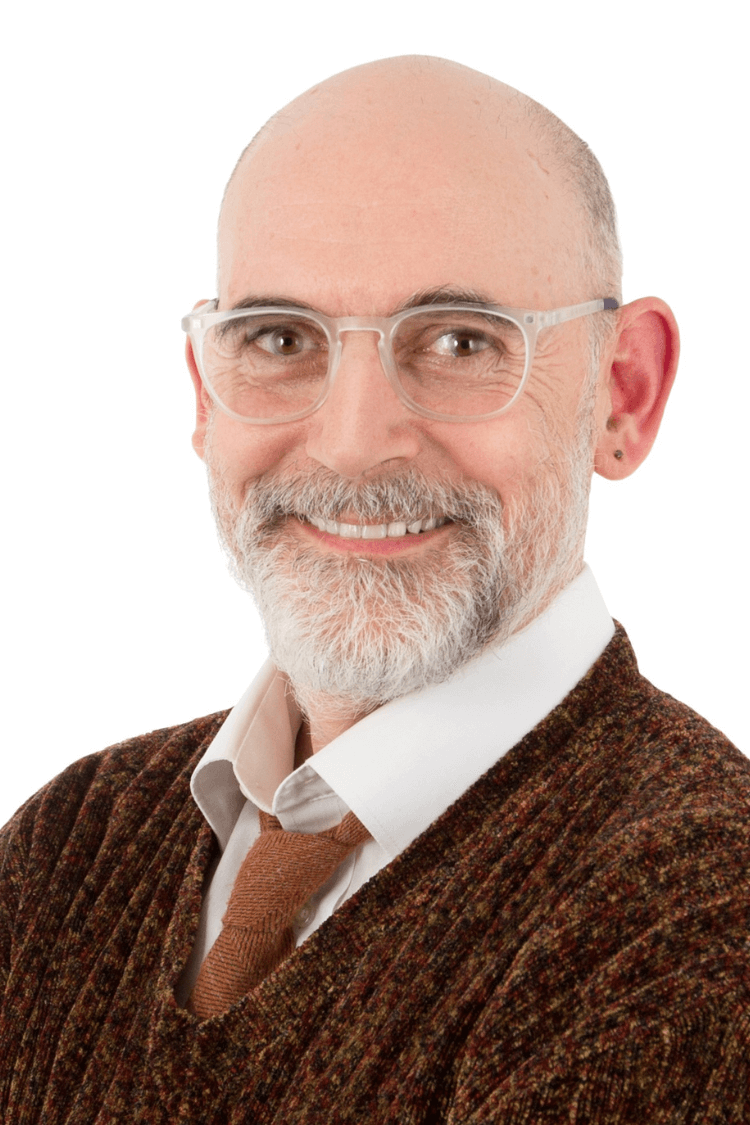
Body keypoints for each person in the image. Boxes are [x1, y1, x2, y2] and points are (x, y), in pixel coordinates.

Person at [1, 55, 748, 1123]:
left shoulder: (697, 929)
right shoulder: (72, 847)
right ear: (206, 394)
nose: (353, 445)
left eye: (458, 341)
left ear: (622, 393)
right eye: (278, 339)